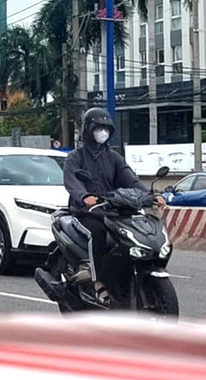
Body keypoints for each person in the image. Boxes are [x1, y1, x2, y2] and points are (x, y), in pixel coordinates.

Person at [57, 106, 162, 304]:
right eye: (98, 128)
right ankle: (98, 283)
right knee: (97, 233)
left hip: (112, 209)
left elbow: (130, 179)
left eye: (106, 128)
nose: (102, 132)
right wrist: (84, 196)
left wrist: (151, 195)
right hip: (85, 212)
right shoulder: (76, 157)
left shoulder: (113, 157)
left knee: (129, 233)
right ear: (88, 130)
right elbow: (71, 181)